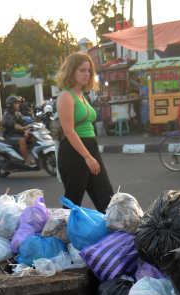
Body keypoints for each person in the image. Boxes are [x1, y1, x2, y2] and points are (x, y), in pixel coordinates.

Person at [56, 52, 114, 213]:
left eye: (89, 70)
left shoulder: (81, 95)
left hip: (90, 146)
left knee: (106, 196)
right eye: (82, 70)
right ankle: (62, 234)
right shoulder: (66, 96)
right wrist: (87, 156)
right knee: (73, 202)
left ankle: (118, 235)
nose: (87, 74)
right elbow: (68, 131)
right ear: (71, 72)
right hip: (73, 151)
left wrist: (91, 154)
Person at [2, 96, 36, 166]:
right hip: (10, 135)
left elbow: (23, 123)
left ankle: (36, 158)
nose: (18, 105)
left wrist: (26, 132)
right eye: (16, 103)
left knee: (34, 137)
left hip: (18, 134)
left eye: (18, 103)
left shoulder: (18, 113)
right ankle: (27, 160)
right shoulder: (6, 114)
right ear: (10, 104)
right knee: (22, 140)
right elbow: (12, 125)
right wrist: (23, 129)